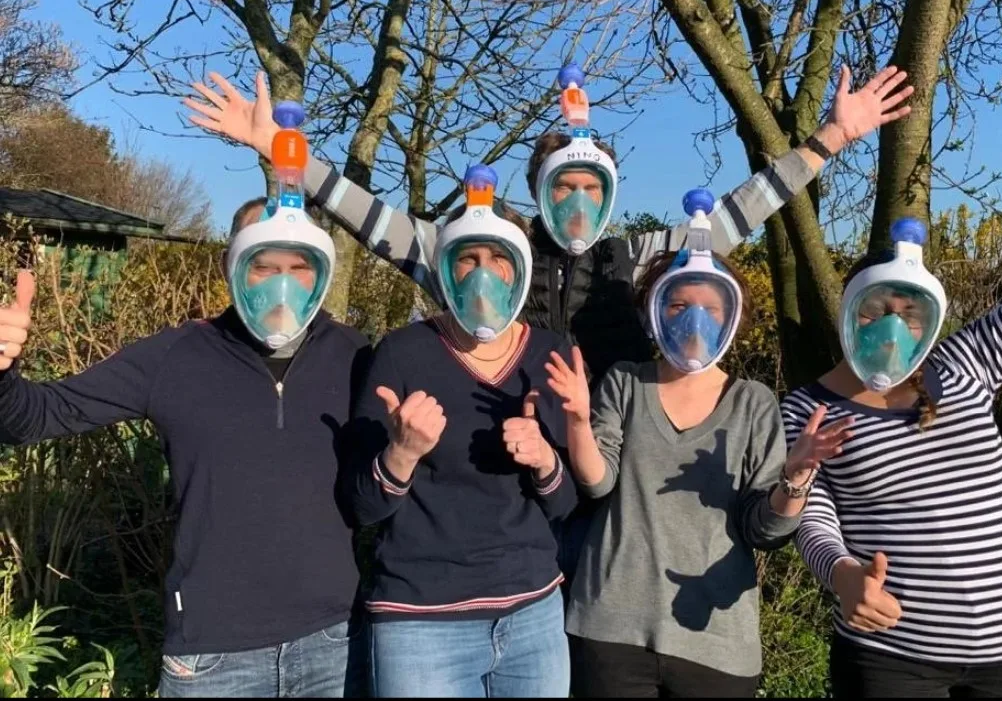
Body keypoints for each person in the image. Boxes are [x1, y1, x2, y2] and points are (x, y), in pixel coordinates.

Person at [184, 62, 914, 581]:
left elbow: (740, 211)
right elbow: (380, 225)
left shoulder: (645, 259)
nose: (575, 200)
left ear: (611, 191)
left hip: (610, 487)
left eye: (589, 185)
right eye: (561, 183)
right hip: (506, 491)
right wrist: (286, 155)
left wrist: (832, 140)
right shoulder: (490, 253)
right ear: (537, 186)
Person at [0, 196, 369, 698]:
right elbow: (34, 417)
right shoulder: (174, 358)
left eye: (299, 266)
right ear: (231, 264)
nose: (283, 284)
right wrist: (2, 370)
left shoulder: (354, 355)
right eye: (263, 265)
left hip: (335, 642)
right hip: (214, 656)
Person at [780, 209, 1002, 698]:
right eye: (875, 310)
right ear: (848, 310)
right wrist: (843, 575)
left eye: (909, 313)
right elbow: (813, 518)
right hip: (891, 656)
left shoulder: (966, 363)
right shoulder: (806, 409)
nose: (892, 328)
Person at [543, 190, 854, 698]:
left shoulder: (753, 403)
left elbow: (764, 531)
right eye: (680, 304)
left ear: (732, 317)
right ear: (654, 309)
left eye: (712, 308)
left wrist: (795, 479)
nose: (695, 320)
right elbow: (598, 483)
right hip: (609, 629)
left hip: (716, 638)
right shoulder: (625, 381)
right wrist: (578, 420)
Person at [346, 165, 577, 697]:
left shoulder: (549, 354)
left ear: (520, 268)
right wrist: (400, 455)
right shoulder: (401, 353)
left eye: (498, 260)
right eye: (467, 258)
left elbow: (565, 505)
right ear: (444, 267)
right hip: (420, 621)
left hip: (533, 616)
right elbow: (361, 507)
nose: (483, 274)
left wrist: (544, 459)